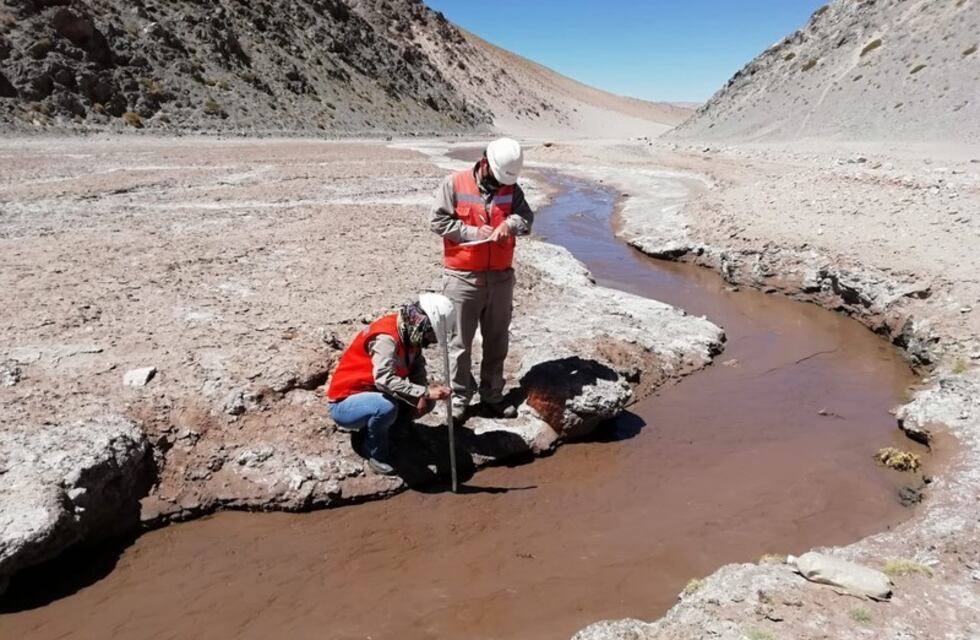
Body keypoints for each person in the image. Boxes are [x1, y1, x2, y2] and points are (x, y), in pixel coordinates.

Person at [430, 137, 534, 421]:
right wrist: (471, 233)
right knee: (459, 343)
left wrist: (510, 224)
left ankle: (492, 394)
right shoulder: (455, 183)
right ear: (485, 161)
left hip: (500, 277)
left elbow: (526, 217)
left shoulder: (512, 188)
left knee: (496, 339)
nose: (501, 184)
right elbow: (437, 221)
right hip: (462, 277)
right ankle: (460, 398)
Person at [325, 294, 454, 475]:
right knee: (385, 407)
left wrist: (422, 394)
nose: (431, 340)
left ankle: (390, 432)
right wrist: (423, 392)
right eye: (431, 334)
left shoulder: (410, 331)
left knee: (425, 401)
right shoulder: (387, 338)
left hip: (374, 393)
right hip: (345, 403)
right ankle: (375, 451)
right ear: (423, 324)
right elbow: (384, 379)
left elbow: (417, 366)